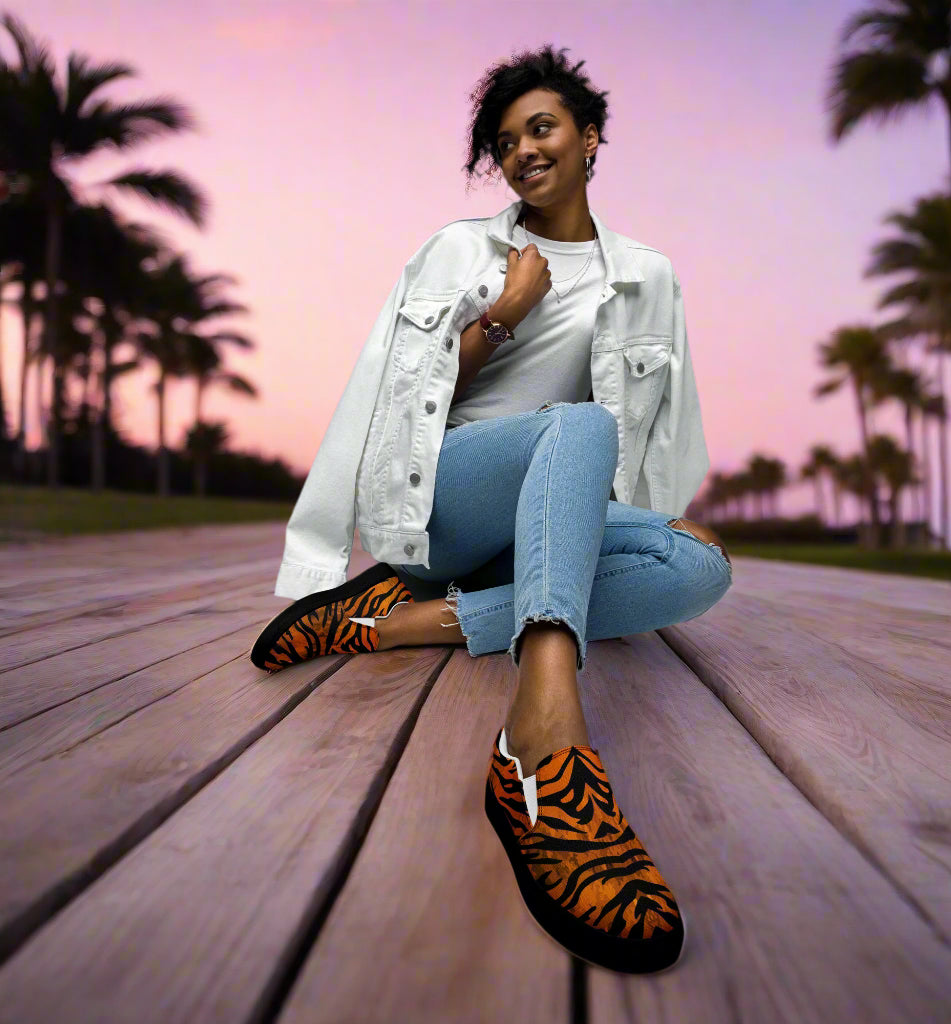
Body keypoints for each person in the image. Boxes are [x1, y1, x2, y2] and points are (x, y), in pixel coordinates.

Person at [250, 45, 733, 975]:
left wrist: (626, 537)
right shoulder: (458, 251)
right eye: (505, 142)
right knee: (581, 427)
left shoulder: (650, 277)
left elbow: (664, 438)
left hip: (548, 516)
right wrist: (505, 312)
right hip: (446, 503)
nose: (523, 152)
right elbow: (397, 400)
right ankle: (540, 740)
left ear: (591, 139)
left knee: (698, 564)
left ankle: (406, 622)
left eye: (541, 128)